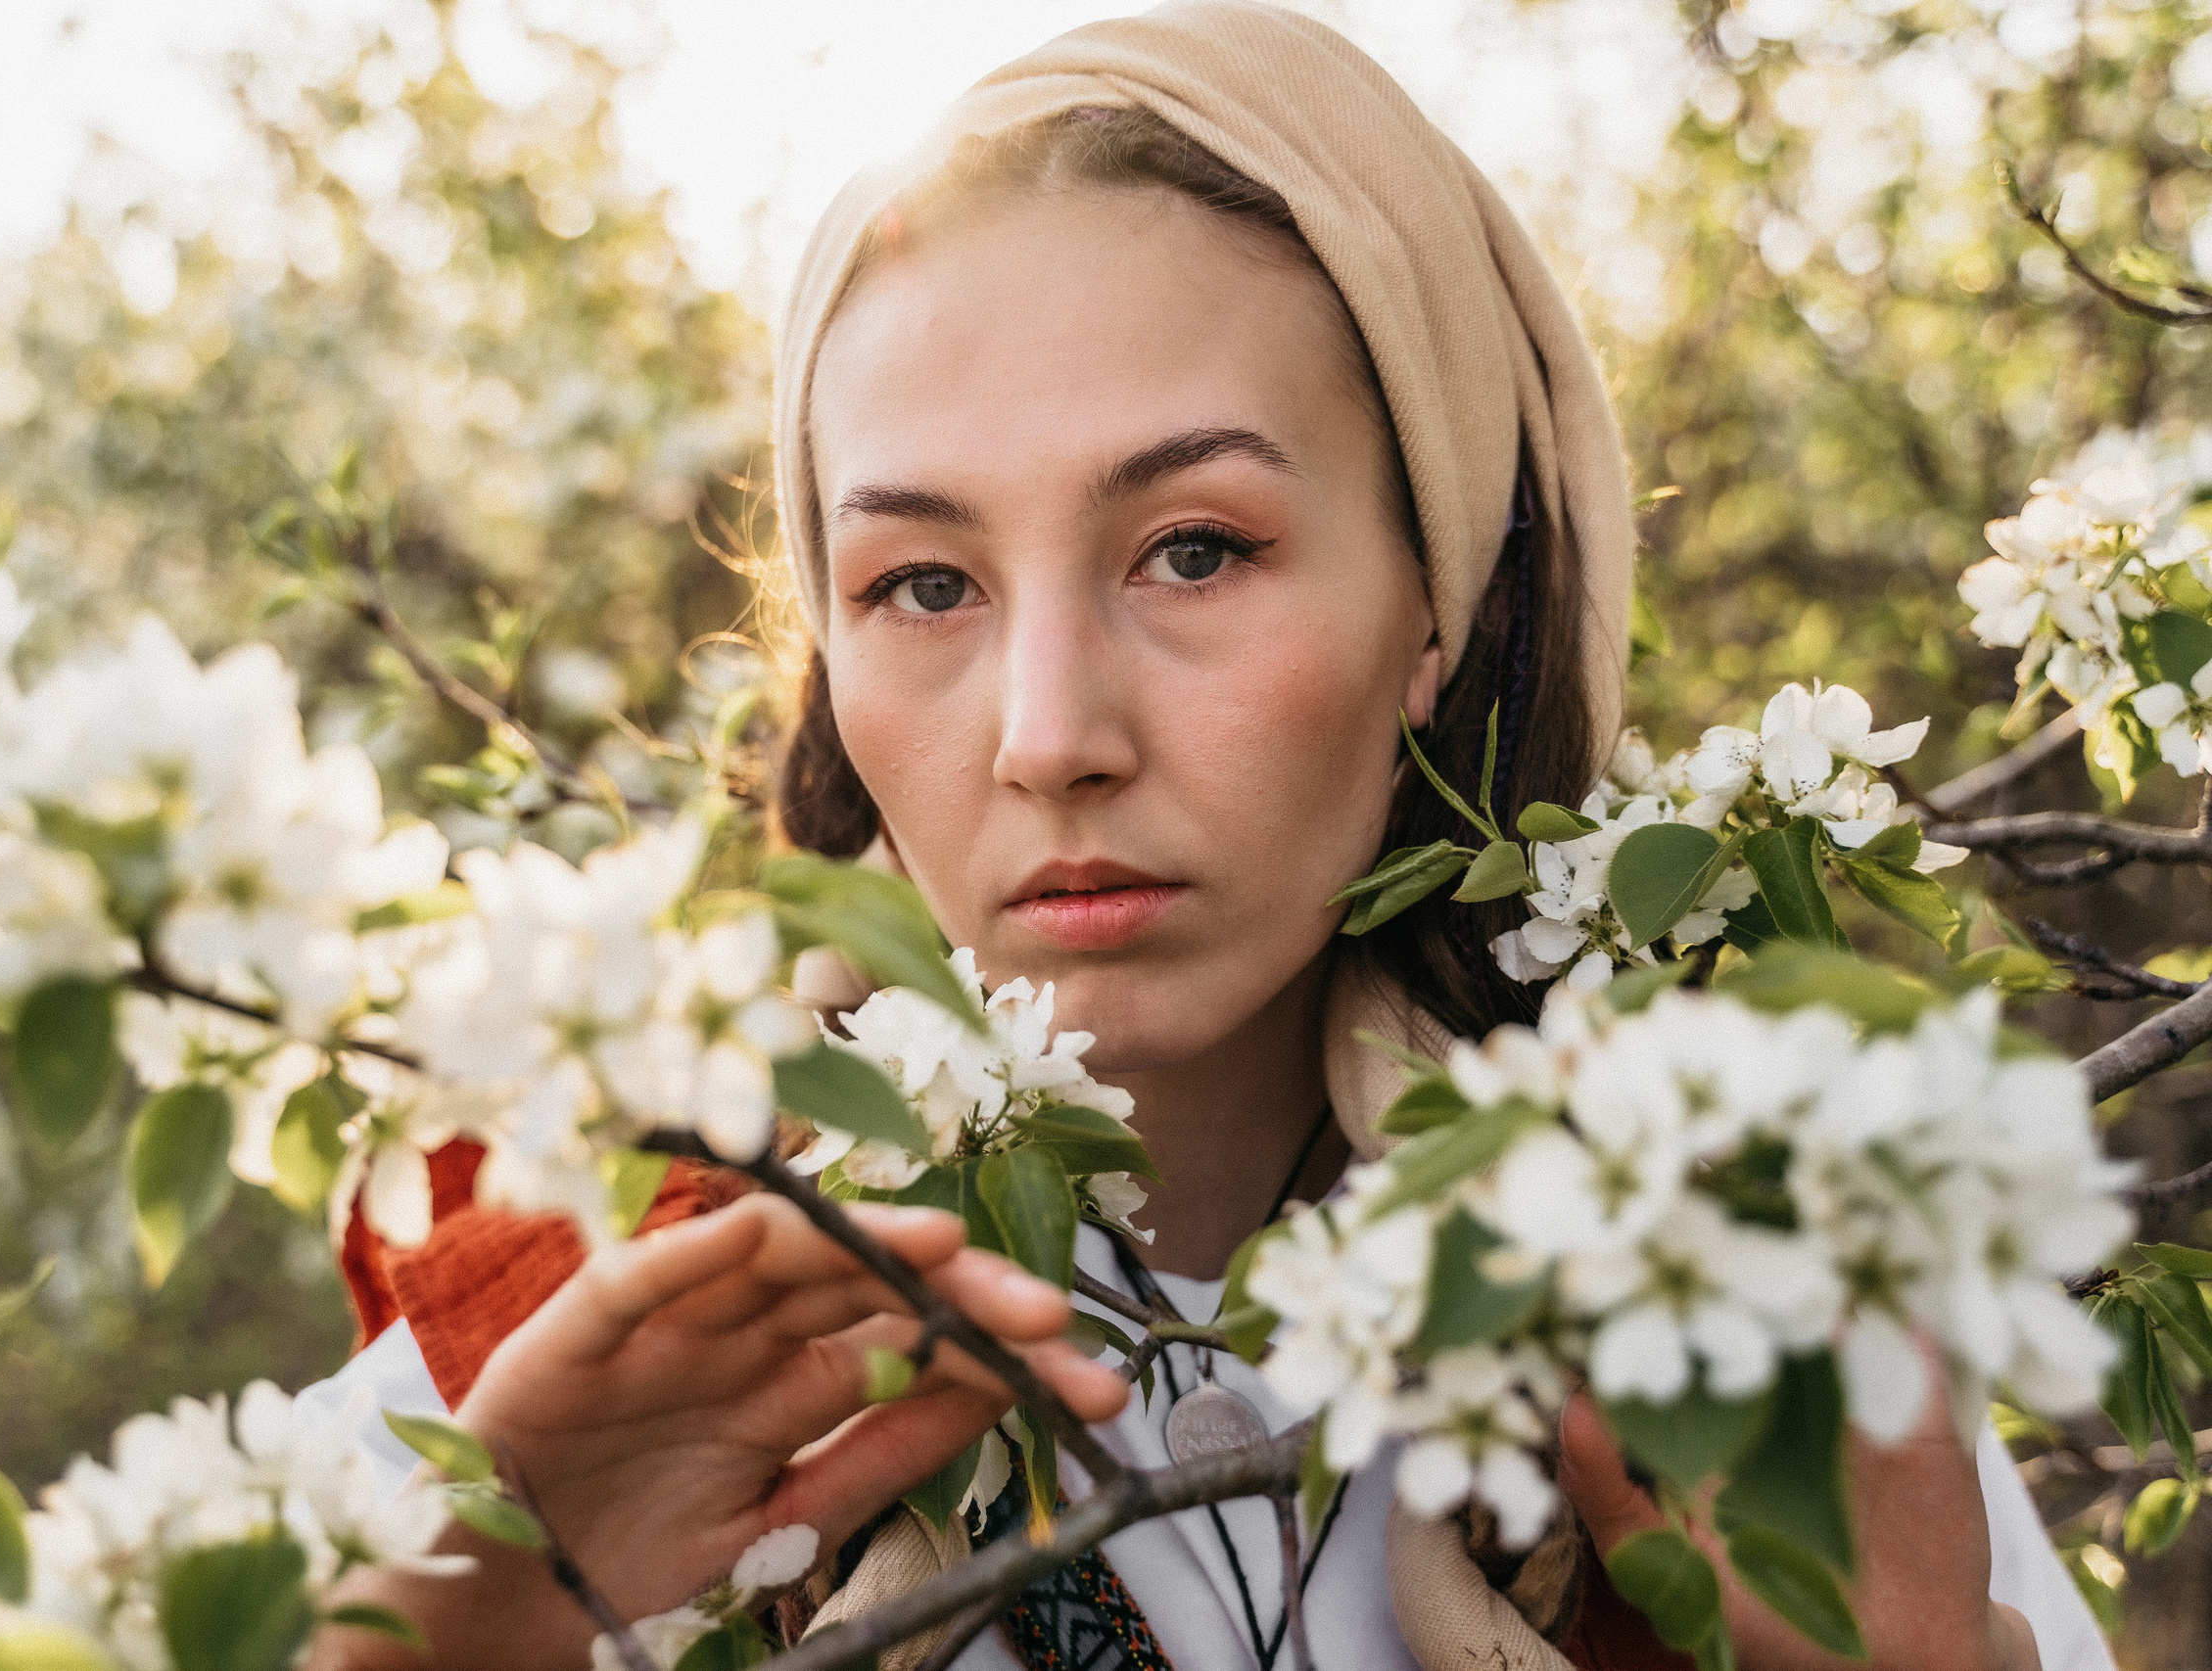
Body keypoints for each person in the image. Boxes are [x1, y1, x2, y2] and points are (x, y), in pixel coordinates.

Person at [306, 5, 2111, 1668]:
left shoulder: (1736, 1309)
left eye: (1196, 549)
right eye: (925, 582)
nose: (1050, 738)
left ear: (1445, 599)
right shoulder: (568, 1324)